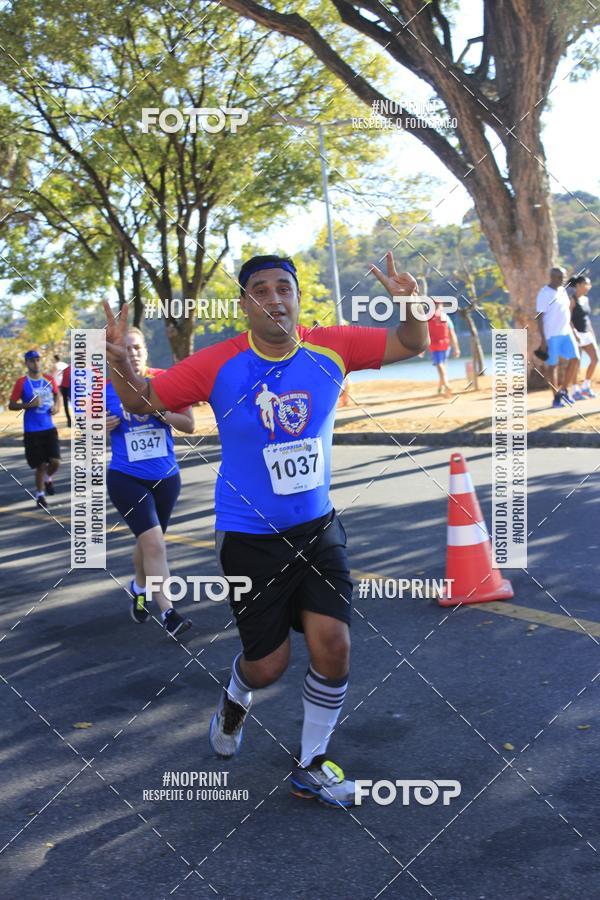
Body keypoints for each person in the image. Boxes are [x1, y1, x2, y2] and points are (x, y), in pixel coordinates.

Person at [103, 251, 427, 808]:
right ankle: (235, 695)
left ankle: (311, 764)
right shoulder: (217, 364)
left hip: (318, 528)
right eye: (260, 290)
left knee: (334, 645)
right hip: (247, 536)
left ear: (298, 297)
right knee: (268, 666)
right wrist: (119, 365)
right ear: (245, 304)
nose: (274, 298)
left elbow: (411, 343)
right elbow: (142, 401)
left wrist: (412, 305)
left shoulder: (332, 345)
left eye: (284, 287)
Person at [106, 326, 195, 637]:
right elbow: (84, 434)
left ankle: (138, 587)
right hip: (126, 477)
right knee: (155, 542)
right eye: (125, 348)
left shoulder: (166, 380)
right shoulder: (104, 388)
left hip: (167, 478)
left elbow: (189, 426)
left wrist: (163, 413)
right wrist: (100, 426)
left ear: (145, 350)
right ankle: (169, 614)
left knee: (149, 544)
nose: (132, 353)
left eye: (136, 348)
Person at [8, 349, 60, 508]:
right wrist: (28, 405)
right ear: (27, 363)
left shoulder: (49, 380)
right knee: (40, 466)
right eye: (32, 360)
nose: (36, 362)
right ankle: (40, 496)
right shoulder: (22, 382)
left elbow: (57, 395)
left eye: (38, 359)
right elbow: (11, 404)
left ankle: (47, 478)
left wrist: (56, 407)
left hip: (49, 428)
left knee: (55, 462)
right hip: (32, 431)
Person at [535, 266, 581, 408]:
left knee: (576, 359)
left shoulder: (562, 290)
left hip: (566, 332)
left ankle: (564, 390)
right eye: (560, 277)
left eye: (564, 277)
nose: (563, 279)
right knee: (552, 366)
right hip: (551, 335)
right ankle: (556, 398)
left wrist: (574, 330)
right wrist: (543, 340)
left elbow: (566, 313)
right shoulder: (544, 293)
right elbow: (539, 317)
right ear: (552, 277)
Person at [567, 275, 596, 399]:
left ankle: (586, 386)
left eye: (589, 284)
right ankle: (575, 390)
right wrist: (574, 333)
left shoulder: (586, 299)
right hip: (576, 334)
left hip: (587, 334)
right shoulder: (572, 300)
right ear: (578, 285)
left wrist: (592, 333)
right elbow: (568, 319)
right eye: (586, 284)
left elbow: (587, 318)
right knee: (576, 362)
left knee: (595, 359)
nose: (588, 287)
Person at [427, 299, 460, 395]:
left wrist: (421, 349)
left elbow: (423, 335)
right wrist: (456, 348)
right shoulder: (446, 317)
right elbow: (452, 333)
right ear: (441, 306)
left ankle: (446, 385)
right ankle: (440, 387)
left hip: (434, 345)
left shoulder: (427, 318)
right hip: (445, 344)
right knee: (442, 365)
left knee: (440, 365)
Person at [60, 363, 72, 427]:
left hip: (65, 387)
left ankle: (69, 420)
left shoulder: (67, 368)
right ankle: (69, 420)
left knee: (66, 405)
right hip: (66, 387)